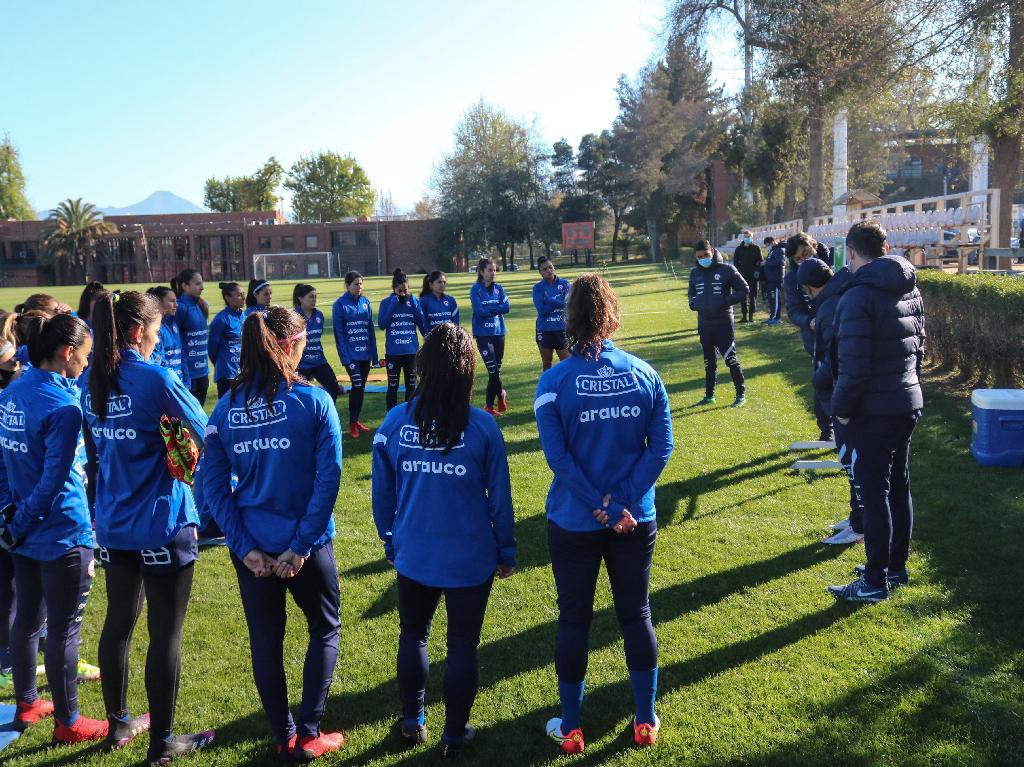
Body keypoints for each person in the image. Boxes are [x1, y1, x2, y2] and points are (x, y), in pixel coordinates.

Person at [534, 273, 673, 755]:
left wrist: (602, 505)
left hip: (576, 519)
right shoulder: (645, 373)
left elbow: (558, 460)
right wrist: (623, 504)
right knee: (636, 614)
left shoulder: (553, 382)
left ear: (569, 320)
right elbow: (661, 448)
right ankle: (645, 720)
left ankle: (572, 728)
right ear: (612, 317)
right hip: (634, 519)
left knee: (574, 621)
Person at [203, 306, 345, 761]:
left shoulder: (226, 407)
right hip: (303, 547)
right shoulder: (314, 401)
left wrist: (244, 547)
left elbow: (212, 486)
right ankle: (307, 734)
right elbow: (328, 481)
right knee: (324, 627)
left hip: (256, 550)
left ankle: (285, 735)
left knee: (266, 641)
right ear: (290, 346)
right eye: (304, 340)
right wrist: (300, 546)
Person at [371, 323, 516, 758]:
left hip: (415, 553)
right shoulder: (482, 427)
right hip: (469, 556)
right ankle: (453, 735)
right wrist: (506, 549)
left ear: (424, 367)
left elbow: (382, 495)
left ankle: (413, 721)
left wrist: (390, 540)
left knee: (413, 634)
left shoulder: (396, 422)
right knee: (461, 646)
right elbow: (500, 500)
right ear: (467, 370)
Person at [86, 291, 215, 761]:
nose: (159, 340)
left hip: (113, 524)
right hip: (161, 522)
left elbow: (96, 455)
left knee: (118, 623)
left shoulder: (91, 379)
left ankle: (118, 724)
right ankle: (163, 741)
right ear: (139, 331)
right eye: (158, 331)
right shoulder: (156, 378)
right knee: (165, 633)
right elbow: (208, 431)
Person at [0, 313, 109, 743]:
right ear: (67, 353)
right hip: (61, 530)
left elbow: (4, 463)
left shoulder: (13, 390)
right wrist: (22, 518)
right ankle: (69, 723)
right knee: (63, 630)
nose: (87, 363)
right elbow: (55, 479)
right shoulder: (63, 407)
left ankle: (28, 704)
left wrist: (10, 516)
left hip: (22, 531)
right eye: (85, 355)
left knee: (27, 618)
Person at [827, 220, 925, 603]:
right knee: (897, 487)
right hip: (905, 400)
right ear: (885, 248)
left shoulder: (857, 296)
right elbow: (919, 345)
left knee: (875, 493)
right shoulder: (910, 286)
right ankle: (893, 568)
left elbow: (853, 366)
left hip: (873, 409)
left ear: (851, 253)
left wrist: (841, 410)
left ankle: (874, 581)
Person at [797, 258, 862, 546]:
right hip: (844, 392)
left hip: (843, 396)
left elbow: (833, 358)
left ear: (809, 288)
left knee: (853, 462)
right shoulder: (840, 295)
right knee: (851, 460)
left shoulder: (829, 307)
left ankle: (861, 524)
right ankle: (857, 516)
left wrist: (819, 380)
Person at [688, 241, 749, 408]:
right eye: (699, 257)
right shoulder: (694, 273)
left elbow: (744, 290)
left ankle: (741, 395)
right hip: (704, 324)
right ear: (696, 257)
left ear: (712, 252)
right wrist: (693, 304)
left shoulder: (727, 270)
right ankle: (709, 396)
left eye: (706, 255)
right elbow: (691, 295)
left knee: (730, 359)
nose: (703, 259)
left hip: (723, 322)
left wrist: (724, 301)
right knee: (709, 362)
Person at [785, 233, 832, 440]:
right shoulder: (791, 279)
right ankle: (827, 429)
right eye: (797, 258)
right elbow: (793, 310)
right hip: (815, 338)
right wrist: (809, 321)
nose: (803, 260)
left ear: (814, 245)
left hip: (844, 330)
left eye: (806, 253)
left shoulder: (835, 260)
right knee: (822, 381)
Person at [332, 271, 379, 439]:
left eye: (361, 284)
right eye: (355, 284)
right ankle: (352, 423)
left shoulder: (366, 302)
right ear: (347, 285)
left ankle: (356, 420)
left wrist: (374, 356)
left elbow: (370, 330)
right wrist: (345, 358)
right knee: (357, 384)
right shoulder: (339, 304)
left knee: (361, 387)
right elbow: (339, 333)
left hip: (365, 354)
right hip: (351, 355)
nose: (359, 287)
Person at [378, 269, 428, 412]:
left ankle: (409, 415)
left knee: (411, 386)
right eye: (400, 291)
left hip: (411, 352)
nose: (403, 293)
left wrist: (413, 302)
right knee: (392, 386)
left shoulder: (413, 301)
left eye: (405, 290)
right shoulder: (386, 302)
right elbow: (382, 324)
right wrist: (393, 304)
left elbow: (421, 321)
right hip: (393, 353)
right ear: (394, 289)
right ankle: (391, 416)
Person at [470, 258, 510, 416]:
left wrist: (490, 309)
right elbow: (479, 312)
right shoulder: (475, 289)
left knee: (495, 371)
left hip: (499, 333)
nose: (493, 273)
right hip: (483, 334)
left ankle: (488, 405)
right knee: (493, 369)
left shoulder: (499, 288)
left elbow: (506, 307)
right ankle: (500, 394)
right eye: (489, 270)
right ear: (481, 272)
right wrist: (496, 308)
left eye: (494, 270)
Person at [293, 284, 341, 401]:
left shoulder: (319, 315)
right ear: (300, 298)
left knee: (333, 387)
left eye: (315, 297)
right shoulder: (293, 317)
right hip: (301, 363)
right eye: (311, 297)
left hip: (319, 360)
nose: (314, 299)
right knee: (300, 394)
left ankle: (325, 411)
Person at [172, 269, 210, 406]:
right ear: (184, 286)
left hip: (203, 373)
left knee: (199, 414)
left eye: (202, 283)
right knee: (185, 416)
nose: (202, 287)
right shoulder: (180, 308)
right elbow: (174, 340)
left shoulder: (202, 305)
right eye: (197, 284)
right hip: (188, 374)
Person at [532, 256, 571, 371]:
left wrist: (549, 301)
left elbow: (568, 304)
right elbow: (542, 310)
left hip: (562, 329)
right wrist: (559, 303)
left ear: (554, 267)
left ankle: (567, 383)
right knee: (547, 363)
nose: (548, 270)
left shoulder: (564, 284)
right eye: (545, 269)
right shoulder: (538, 288)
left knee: (567, 363)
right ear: (540, 273)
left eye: (550, 267)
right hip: (544, 330)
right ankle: (547, 383)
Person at [209, 282, 245, 398]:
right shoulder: (221, 319)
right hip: (227, 374)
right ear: (228, 298)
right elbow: (212, 349)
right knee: (227, 406)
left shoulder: (244, 316)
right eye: (239, 295)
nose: (243, 298)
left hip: (243, 372)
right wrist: (223, 364)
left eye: (243, 294)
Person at [147, 286, 185, 384]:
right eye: (172, 301)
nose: (176, 305)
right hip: (168, 383)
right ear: (158, 303)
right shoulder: (156, 329)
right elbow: (158, 361)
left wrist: (187, 381)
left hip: (181, 383)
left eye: (176, 301)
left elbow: (182, 355)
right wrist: (171, 381)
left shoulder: (174, 324)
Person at [731, 230, 763, 322]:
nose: (747, 238)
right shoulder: (738, 249)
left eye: (748, 237)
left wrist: (757, 270)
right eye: (745, 237)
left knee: (753, 296)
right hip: (742, 277)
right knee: (743, 297)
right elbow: (735, 262)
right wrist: (737, 272)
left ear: (752, 237)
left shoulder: (756, 248)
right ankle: (744, 317)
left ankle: (751, 317)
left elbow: (760, 260)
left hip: (753, 277)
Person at [761, 237, 784, 324]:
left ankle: (776, 318)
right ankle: (772, 316)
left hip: (776, 279)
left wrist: (766, 263)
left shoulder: (779, 250)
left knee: (775, 299)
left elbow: (779, 262)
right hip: (770, 279)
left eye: (768, 245)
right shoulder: (772, 250)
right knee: (771, 299)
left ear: (772, 242)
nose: (768, 247)